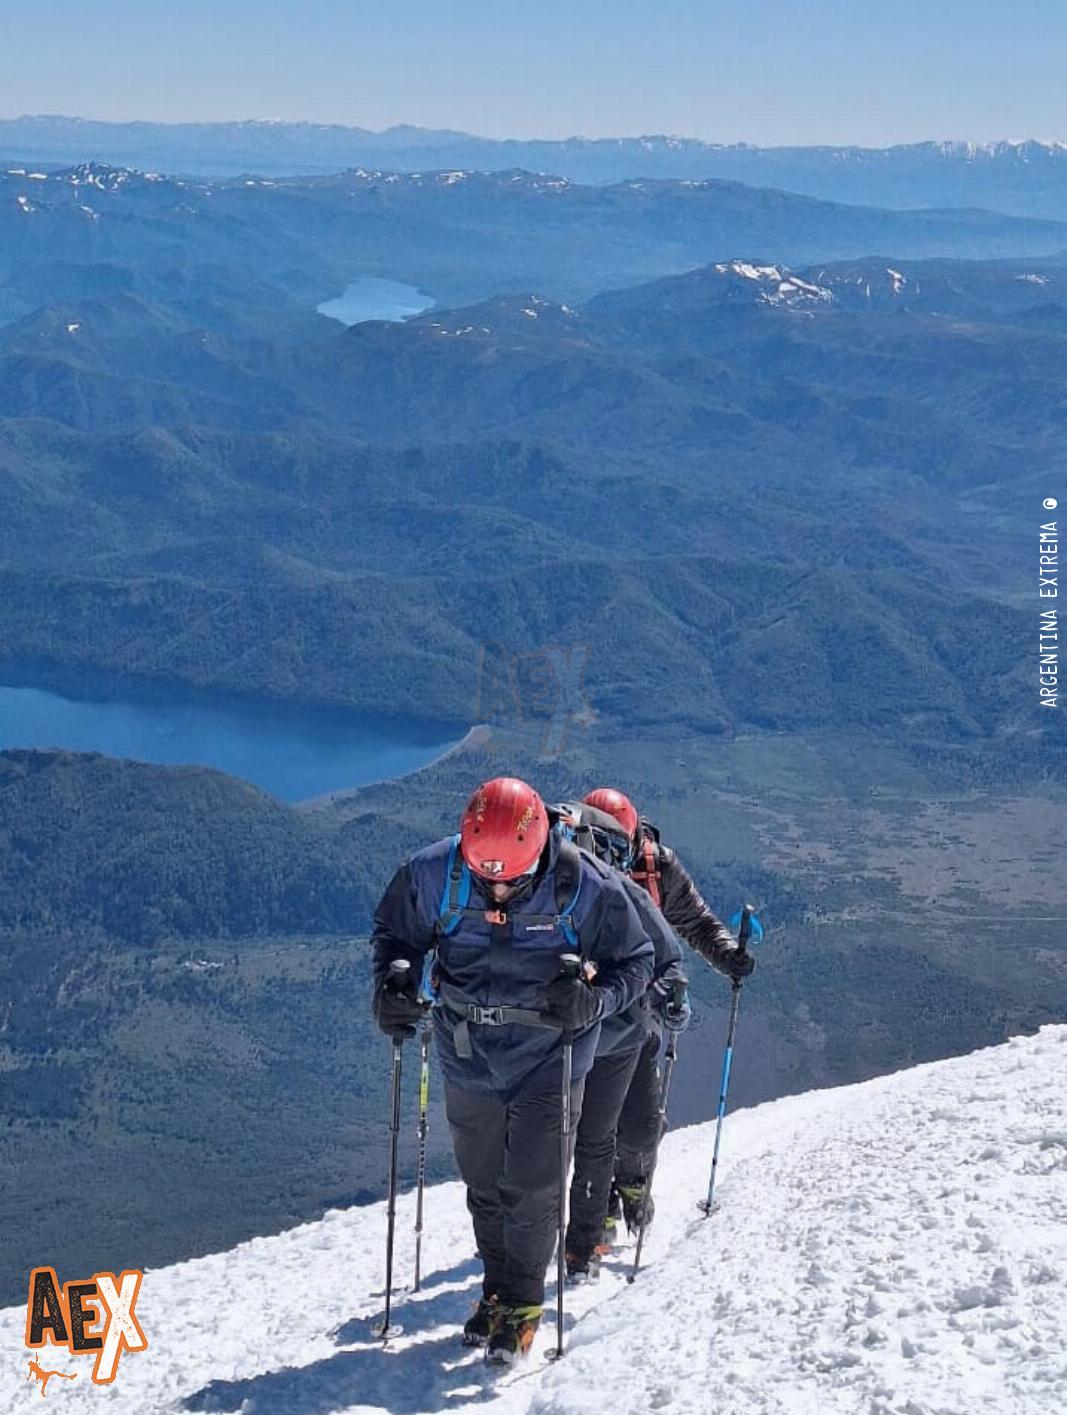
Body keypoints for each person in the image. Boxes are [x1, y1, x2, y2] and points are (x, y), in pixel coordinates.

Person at [371, 776, 654, 1364]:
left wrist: (594, 1003)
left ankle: (523, 1298)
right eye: (485, 878)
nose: (497, 890)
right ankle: (497, 1288)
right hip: (467, 1049)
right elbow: (397, 933)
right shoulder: (436, 874)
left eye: (512, 880)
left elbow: (636, 960)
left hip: (551, 1055)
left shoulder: (588, 885)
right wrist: (395, 981)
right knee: (485, 1183)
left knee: (532, 1182)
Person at [581, 787, 754, 1238]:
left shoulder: (655, 867)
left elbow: (696, 921)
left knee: (639, 1122)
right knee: (590, 1122)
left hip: (638, 1013)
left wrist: (728, 954)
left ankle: (632, 1184)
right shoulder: (566, 868)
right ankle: (595, 1207)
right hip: (586, 1013)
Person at [551, 799, 690, 1282]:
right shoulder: (619, 892)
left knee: (592, 1137)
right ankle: (580, 1243)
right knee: (594, 1139)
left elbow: (664, 958)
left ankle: (581, 1239)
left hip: (602, 1037)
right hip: (610, 1034)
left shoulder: (595, 891)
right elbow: (666, 956)